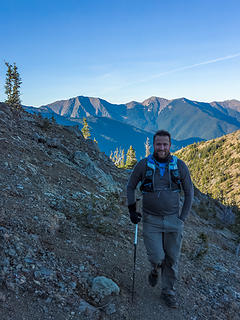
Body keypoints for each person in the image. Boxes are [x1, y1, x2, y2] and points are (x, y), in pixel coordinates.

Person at [127, 130, 193, 308]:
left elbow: (189, 192)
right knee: (157, 257)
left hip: (174, 220)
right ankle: (155, 269)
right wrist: (132, 210)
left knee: (171, 259)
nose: (162, 148)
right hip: (151, 220)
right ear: (153, 145)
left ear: (170, 145)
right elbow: (130, 187)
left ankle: (168, 292)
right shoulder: (143, 165)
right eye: (158, 144)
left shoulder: (180, 166)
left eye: (165, 144)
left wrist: (182, 218)